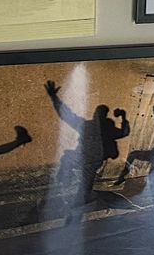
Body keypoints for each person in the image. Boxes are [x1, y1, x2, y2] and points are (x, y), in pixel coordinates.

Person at [44, 80, 129, 223]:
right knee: (74, 168)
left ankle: (73, 201)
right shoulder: (100, 127)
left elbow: (67, 115)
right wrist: (123, 117)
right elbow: (124, 132)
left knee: (75, 169)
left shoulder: (89, 125)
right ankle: (74, 196)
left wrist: (54, 97)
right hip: (90, 159)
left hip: (89, 159)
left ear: (97, 115)